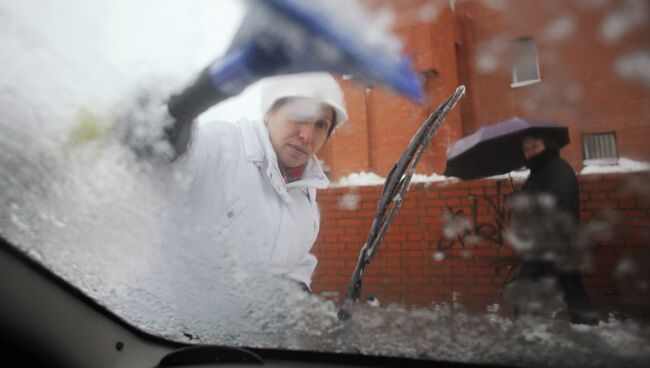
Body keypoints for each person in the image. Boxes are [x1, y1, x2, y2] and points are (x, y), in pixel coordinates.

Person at [165, 72, 347, 291]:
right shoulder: (223, 145)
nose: (307, 135)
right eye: (300, 115)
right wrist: (202, 90)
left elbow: (296, 263)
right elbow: (172, 146)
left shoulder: (306, 196)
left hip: (242, 324)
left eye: (321, 125)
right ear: (270, 111)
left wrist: (296, 291)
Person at [510, 132, 598, 325]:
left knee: (563, 287)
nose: (530, 150)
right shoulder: (537, 172)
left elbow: (559, 204)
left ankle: (524, 328)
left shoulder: (558, 169)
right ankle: (586, 326)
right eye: (526, 148)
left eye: (534, 145)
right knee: (571, 287)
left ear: (546, 144)